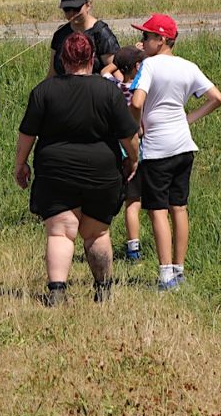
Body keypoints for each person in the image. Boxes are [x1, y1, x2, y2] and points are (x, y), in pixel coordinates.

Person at [15, 32, 140, 306]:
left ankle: (57, 292)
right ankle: (103, 290)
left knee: (60, 232)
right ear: (92, 58)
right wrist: (133, 159)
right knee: (97, 233)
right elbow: (129, 136)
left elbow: (27, 134)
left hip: (55, 170)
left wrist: (20, 164)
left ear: (62, 59)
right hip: (101, 171)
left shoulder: (44, 91)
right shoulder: (109, 91)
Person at [129, 14, 221, 292]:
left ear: (161, 40)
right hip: (184, 146)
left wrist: (137, 126)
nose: (143, 41)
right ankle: (179, 269)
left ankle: (165, 274)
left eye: (147, 36)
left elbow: (136, 101)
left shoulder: (149, 65)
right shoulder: (188, 66)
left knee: (158, 210)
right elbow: (217, 98)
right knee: (179, 207)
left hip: (157, 148)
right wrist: (188, 118)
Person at [111, 45, 148, 263]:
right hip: (137, 147)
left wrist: (120, 60)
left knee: (126, 199)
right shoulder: (139, 90)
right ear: (137, 66)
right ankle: (133, 249)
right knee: (134, 201)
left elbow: (106, 71)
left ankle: (131, 247)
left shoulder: (114, 86)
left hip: (118, 147)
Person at [50, 0, 120, 78]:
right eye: (67, 9)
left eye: (77, 8)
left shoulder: (101, 33)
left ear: (88, 5)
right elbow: (52, 73)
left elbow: (116, 72)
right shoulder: (60, 34)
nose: (72, 13)